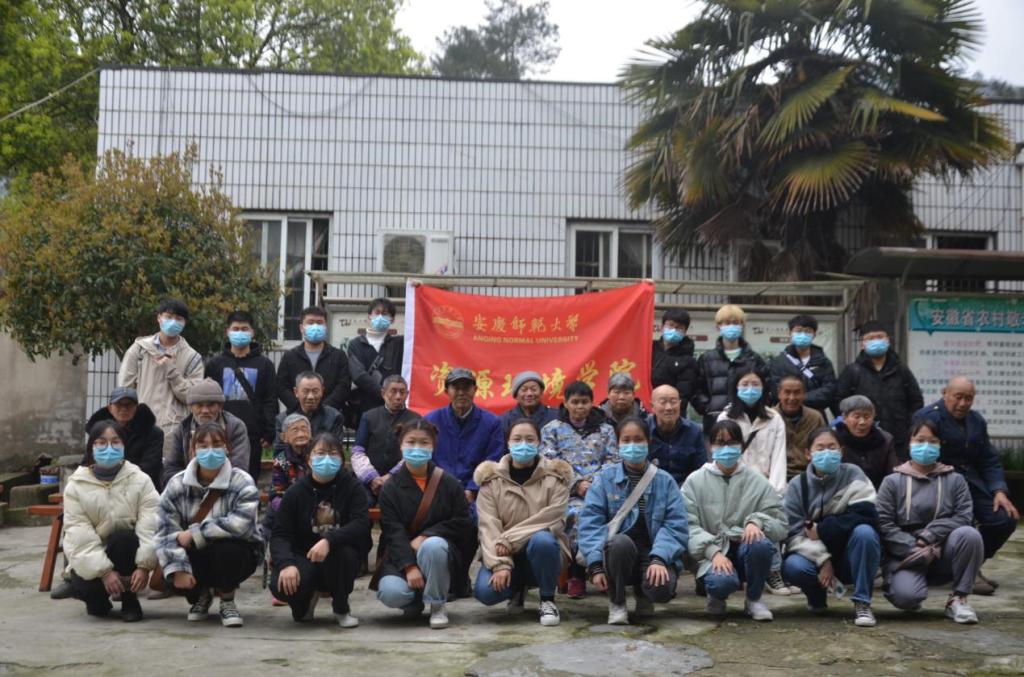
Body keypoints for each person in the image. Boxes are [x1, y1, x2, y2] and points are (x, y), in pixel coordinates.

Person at [578, 417, 689, 625]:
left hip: (652, 550)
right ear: (618, 444)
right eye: (626, 440)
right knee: (620, 543)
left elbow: (676, 524)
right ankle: (617, 602)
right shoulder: (604, 479)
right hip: (617, 554)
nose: (632, 445)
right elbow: (590, 522)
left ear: (648, 442)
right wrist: (595, 564)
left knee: (661, 589)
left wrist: (660, 558)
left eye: (638, 440)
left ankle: (644, 593)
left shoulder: (665, 481)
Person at [913, 376, 1019, 593]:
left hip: (972, 484)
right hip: (940, 484)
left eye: (968, 398)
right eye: (958, 397)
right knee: (964, 520)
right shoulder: (927, 417)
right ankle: (966, 573)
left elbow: (989, 459)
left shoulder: (976, 420)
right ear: (945, 394)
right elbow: (918, 455)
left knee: (1004, 519)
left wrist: (999, 491)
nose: (963, 403)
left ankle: (972, 563)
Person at [155, 421, 262, 627]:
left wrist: (196, 533)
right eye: (203, 446)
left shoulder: (242, 481)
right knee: (178, 564)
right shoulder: (176, 484)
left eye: (217, 444)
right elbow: (163, 530)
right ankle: (202, 595)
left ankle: (227, 598)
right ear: (192, 450)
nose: (210, 451)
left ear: (227, 448)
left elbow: (241, 524)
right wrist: (178, 568)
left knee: (227, 549)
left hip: (235, 552)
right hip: (193, 552)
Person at [876, 420, 983, 624]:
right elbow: (883, 523)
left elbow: (964, 517)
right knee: (907, 598)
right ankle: (912, 589)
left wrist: (930, 535)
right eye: (920, 440)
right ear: (909, 443)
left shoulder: (956, 480)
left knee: (970, 534)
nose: (926, 446)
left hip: (942, 550)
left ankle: (958, 598)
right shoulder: (892, 481)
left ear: (940, 445)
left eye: (932, 441)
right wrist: (912, 547)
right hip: (906, 554)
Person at [682, 420, 787, 621]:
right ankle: (716, 595)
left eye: (732, 443)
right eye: (720, 443)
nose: (726, 448)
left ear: (742, 445)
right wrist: (713, 552)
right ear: (710, 446)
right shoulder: (695, 481)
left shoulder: (757, 481)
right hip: (712, 553)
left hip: (744, 549)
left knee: (760, 545)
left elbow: (780, 522)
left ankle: (754, 599)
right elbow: (688, 525)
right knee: (721, 582)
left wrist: (757, 522)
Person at [375, 420, 474, 630]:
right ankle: (414, 602)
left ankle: (437, 604)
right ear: (401, 445)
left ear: (433, 446)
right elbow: (393, 531)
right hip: (402, 554)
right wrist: (409, 566)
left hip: (440, 555)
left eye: (424, 443)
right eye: (411, 442)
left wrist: (427, 535)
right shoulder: (390, 488)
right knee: (391, 593)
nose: (417, 448)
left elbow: (463, 522)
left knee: (433, 545)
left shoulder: (448, 483)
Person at [473, 419, 572, 626]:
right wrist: (500, 565)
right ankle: (517, 588)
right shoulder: (491, 480)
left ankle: (547, 599)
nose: (523, 444)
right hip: (503, 552)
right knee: (485, 592)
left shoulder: (556, 477)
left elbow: (552, 518)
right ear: (508, 442)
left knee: (543, 540)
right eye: (517, 439)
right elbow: (488, 527)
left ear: (539, 443)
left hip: (543, 552)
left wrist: (510, 539)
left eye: (530, 439)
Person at [782, 427, 882, 627]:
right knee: (794, 566)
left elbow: (866, 513)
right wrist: (823, 560)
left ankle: (862, 602)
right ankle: (817, 596)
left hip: (848, 555)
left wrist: (822, 529)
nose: (826, 453)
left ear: (841, 451)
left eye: (832, 447)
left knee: (865, 532)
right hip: (813, 557)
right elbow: (792, 533)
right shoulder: (797, 486)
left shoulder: (853, 475)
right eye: (820, 448)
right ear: (808, 453)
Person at [270, 432, 372, 628]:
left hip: (338, 553)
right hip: (303, 554)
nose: (326, 459)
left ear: (341, 460)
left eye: (333, 454)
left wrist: (329, 540)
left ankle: (341, 607)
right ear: (309, 459)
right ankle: (304, 602)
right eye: (320, 453)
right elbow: (280, 534)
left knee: (343, 556)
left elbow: (361, 523)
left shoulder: (352, 487)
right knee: (283, 586)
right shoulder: (295, 492)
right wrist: (286, 564)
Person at [63, 421, 160, 622]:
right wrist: (105, 572)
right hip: (94, 556)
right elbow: (78, 534)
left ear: (124, 446)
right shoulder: (75, 486)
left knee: (124, 537)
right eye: (101, 443)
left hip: (127, 553)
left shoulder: (141, 480)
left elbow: (151, 524)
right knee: (91, 599)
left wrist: (144, 566)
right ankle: (99, 600)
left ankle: (129, 599)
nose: (109, 448)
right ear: (91, 447)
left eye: (115, 442)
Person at [540, 380, 619, 599]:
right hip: (565, 493)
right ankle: (577, 574)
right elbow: (548, 462)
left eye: (584, 402)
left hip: (600, 491)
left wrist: (594, 486)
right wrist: (576, 484)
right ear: (565, 403)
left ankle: (604, 569)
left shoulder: (605, 429)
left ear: (592, 403)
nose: (580, 407)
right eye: (575, 402)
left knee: (607, 514)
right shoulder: (552, 429)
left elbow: (613, 460)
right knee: (576, 515)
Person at [716, 368, 790, 594]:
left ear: (764, 387)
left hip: (767, 484)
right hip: (735, 484)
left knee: (769, 517)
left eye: (755, 384)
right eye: (745, 384)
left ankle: (773, 571)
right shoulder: (726, 417)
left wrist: (775, 490)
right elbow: (722, 453)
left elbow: (779, 455)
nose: (750, 389)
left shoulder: (774, 418)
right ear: (735, 387)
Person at [205, 310, 278, 481]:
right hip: (219, 433)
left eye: (244, 329)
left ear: (252, 332)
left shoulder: (265, 364)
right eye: (235, 328)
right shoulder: (215, 364)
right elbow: (207, 399)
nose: (240, 332)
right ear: (227, 331)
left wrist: (269, 431)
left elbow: (270, 399)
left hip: (252, 435)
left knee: (247, 481)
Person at [836, 320, 923, 458]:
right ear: (862, 344)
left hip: (898, 440)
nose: (876, 341)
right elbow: (839, 402)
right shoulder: (852, 371)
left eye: (880, 337)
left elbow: (916, 401)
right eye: (871, 338)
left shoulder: (901, 370)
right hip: (861, 439)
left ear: (888, 340)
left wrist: (909, 427)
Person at [118, 298, 204, 431]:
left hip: (174, 429)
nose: (173, 322)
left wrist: (172, 372)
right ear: (159, 318)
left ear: (184, 323)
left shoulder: (193, 358)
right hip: (141, 427)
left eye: (178, 319)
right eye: (168, 317)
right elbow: (125, 388)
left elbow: (192, 396)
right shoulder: (139, 349)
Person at [424, 368, 505, 500]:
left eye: (466, 388)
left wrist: (472, 490)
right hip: (438, 491)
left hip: (479, 493)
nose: (461, 393)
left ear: (475, 390)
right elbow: (425, 458)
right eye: (456, 388)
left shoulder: (492, 423)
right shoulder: (431, 420)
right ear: (446, 391)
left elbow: (493, 459)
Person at [693, 304, 770, 434]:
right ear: (718, 326)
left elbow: (767, 387)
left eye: (736, 323)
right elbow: (696, 389)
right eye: (727, 323)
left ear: (742, 326)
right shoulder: (707, 358)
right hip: (714, 421)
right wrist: (707, 408)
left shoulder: (754, 359)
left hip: (748, 420)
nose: (732, 327)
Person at [160, 379, 250, 489]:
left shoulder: (235, 427)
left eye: (211, 405)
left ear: (220, 407)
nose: (205, 410)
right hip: (189, 489)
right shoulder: (182, 429)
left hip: (227, 489)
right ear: (190, 407)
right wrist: (191, 486)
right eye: (199, 405)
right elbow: (170, 469)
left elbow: (239, 468)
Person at [350, 375, 421, 502]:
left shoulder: (415, 419)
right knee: (363, 504)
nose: (398, 397)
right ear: (383, 393)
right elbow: (357, 452)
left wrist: (390, 477)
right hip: (369, 482)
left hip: (402, 481)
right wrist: (372, 478)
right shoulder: (369, 417)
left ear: (407, 394)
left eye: (402, 392)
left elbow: (415, 454)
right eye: (393, 391)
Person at [85, 386, 164, 489]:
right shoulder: (98, 432)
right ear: (110, 408)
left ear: (136, 407)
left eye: (129, 405)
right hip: (100, 484)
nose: (124, 408)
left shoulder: (153, 433)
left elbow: (150, 467)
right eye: (119, 404)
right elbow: (87, 462)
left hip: (140, 486)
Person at [275, 306, 351, 412]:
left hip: (330, 416)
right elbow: (281, 386)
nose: (315, 326)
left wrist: (324, 410)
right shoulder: (290, 357)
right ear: (301, 328)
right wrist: (300, 408)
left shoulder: (338, 356)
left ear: (326, 327)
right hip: (297, 416)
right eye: (310, 323)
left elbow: (344, 386)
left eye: (319, 323)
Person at [346, 297, 404, 425]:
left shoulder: (400, 343)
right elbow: (358, 375)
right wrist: (385, 395)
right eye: (377, 313)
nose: (380, 316)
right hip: (364, 409)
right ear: (369, 316)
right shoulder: (356, 344)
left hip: (394, 410)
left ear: (392, 319)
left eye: (385, 313)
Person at [768, 314, 837, 416]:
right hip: (785, 417)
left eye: (807, 331)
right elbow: (776, 390)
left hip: (815, 415)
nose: (803, 334)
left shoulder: (824, 362)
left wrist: (798, 398)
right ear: (790, 333)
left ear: (814, 334)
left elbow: (829, 390)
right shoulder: (778, 362)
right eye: (798, 331)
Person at [832, 395, 898, 489]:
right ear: (844, 418)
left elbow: (892, 474)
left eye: (867, 416)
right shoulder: (834, 439)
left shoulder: (885, 439)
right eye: (856, 417)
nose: (862, 422)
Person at [273, 372, 345, 455]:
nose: (310, 396)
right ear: (296, 392)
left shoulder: (334, 417)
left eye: (315, 391)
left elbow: (336, 451)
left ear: (322, 391)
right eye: (305, 391)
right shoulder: (283, 419)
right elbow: (279, 453)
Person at [647, 384, 705, 486]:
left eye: (673, 402)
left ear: (679, 404)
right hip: (651, 488)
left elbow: (700, 470)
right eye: (663, 402)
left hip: (686, 488)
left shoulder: (694, 431)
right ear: (652, 406)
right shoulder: (642, 429)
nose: (669, 407)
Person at [774, 375, 826, 481]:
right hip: (778, 475)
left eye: (797, 393)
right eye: (787, 392)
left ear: (803, 394)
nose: (792, 398)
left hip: (810, 474)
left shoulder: (815, 417)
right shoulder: (770, 418)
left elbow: (824, 447)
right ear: (779, 394)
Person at [651, 308, 699, 415]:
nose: (673, 330)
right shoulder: (650, 349)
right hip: (646, 409)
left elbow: (683, 395)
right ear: (662, 327)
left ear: (685, 331)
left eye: (679, 327)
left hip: (670, 413)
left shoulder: (688, 361)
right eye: (670, 325)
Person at [499, 371, 558, 435]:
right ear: (516, 395)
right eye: (524, 390)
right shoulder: (506, 419)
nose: (529, 393)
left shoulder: (556, 416)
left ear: (541, 392)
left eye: (534, 389)